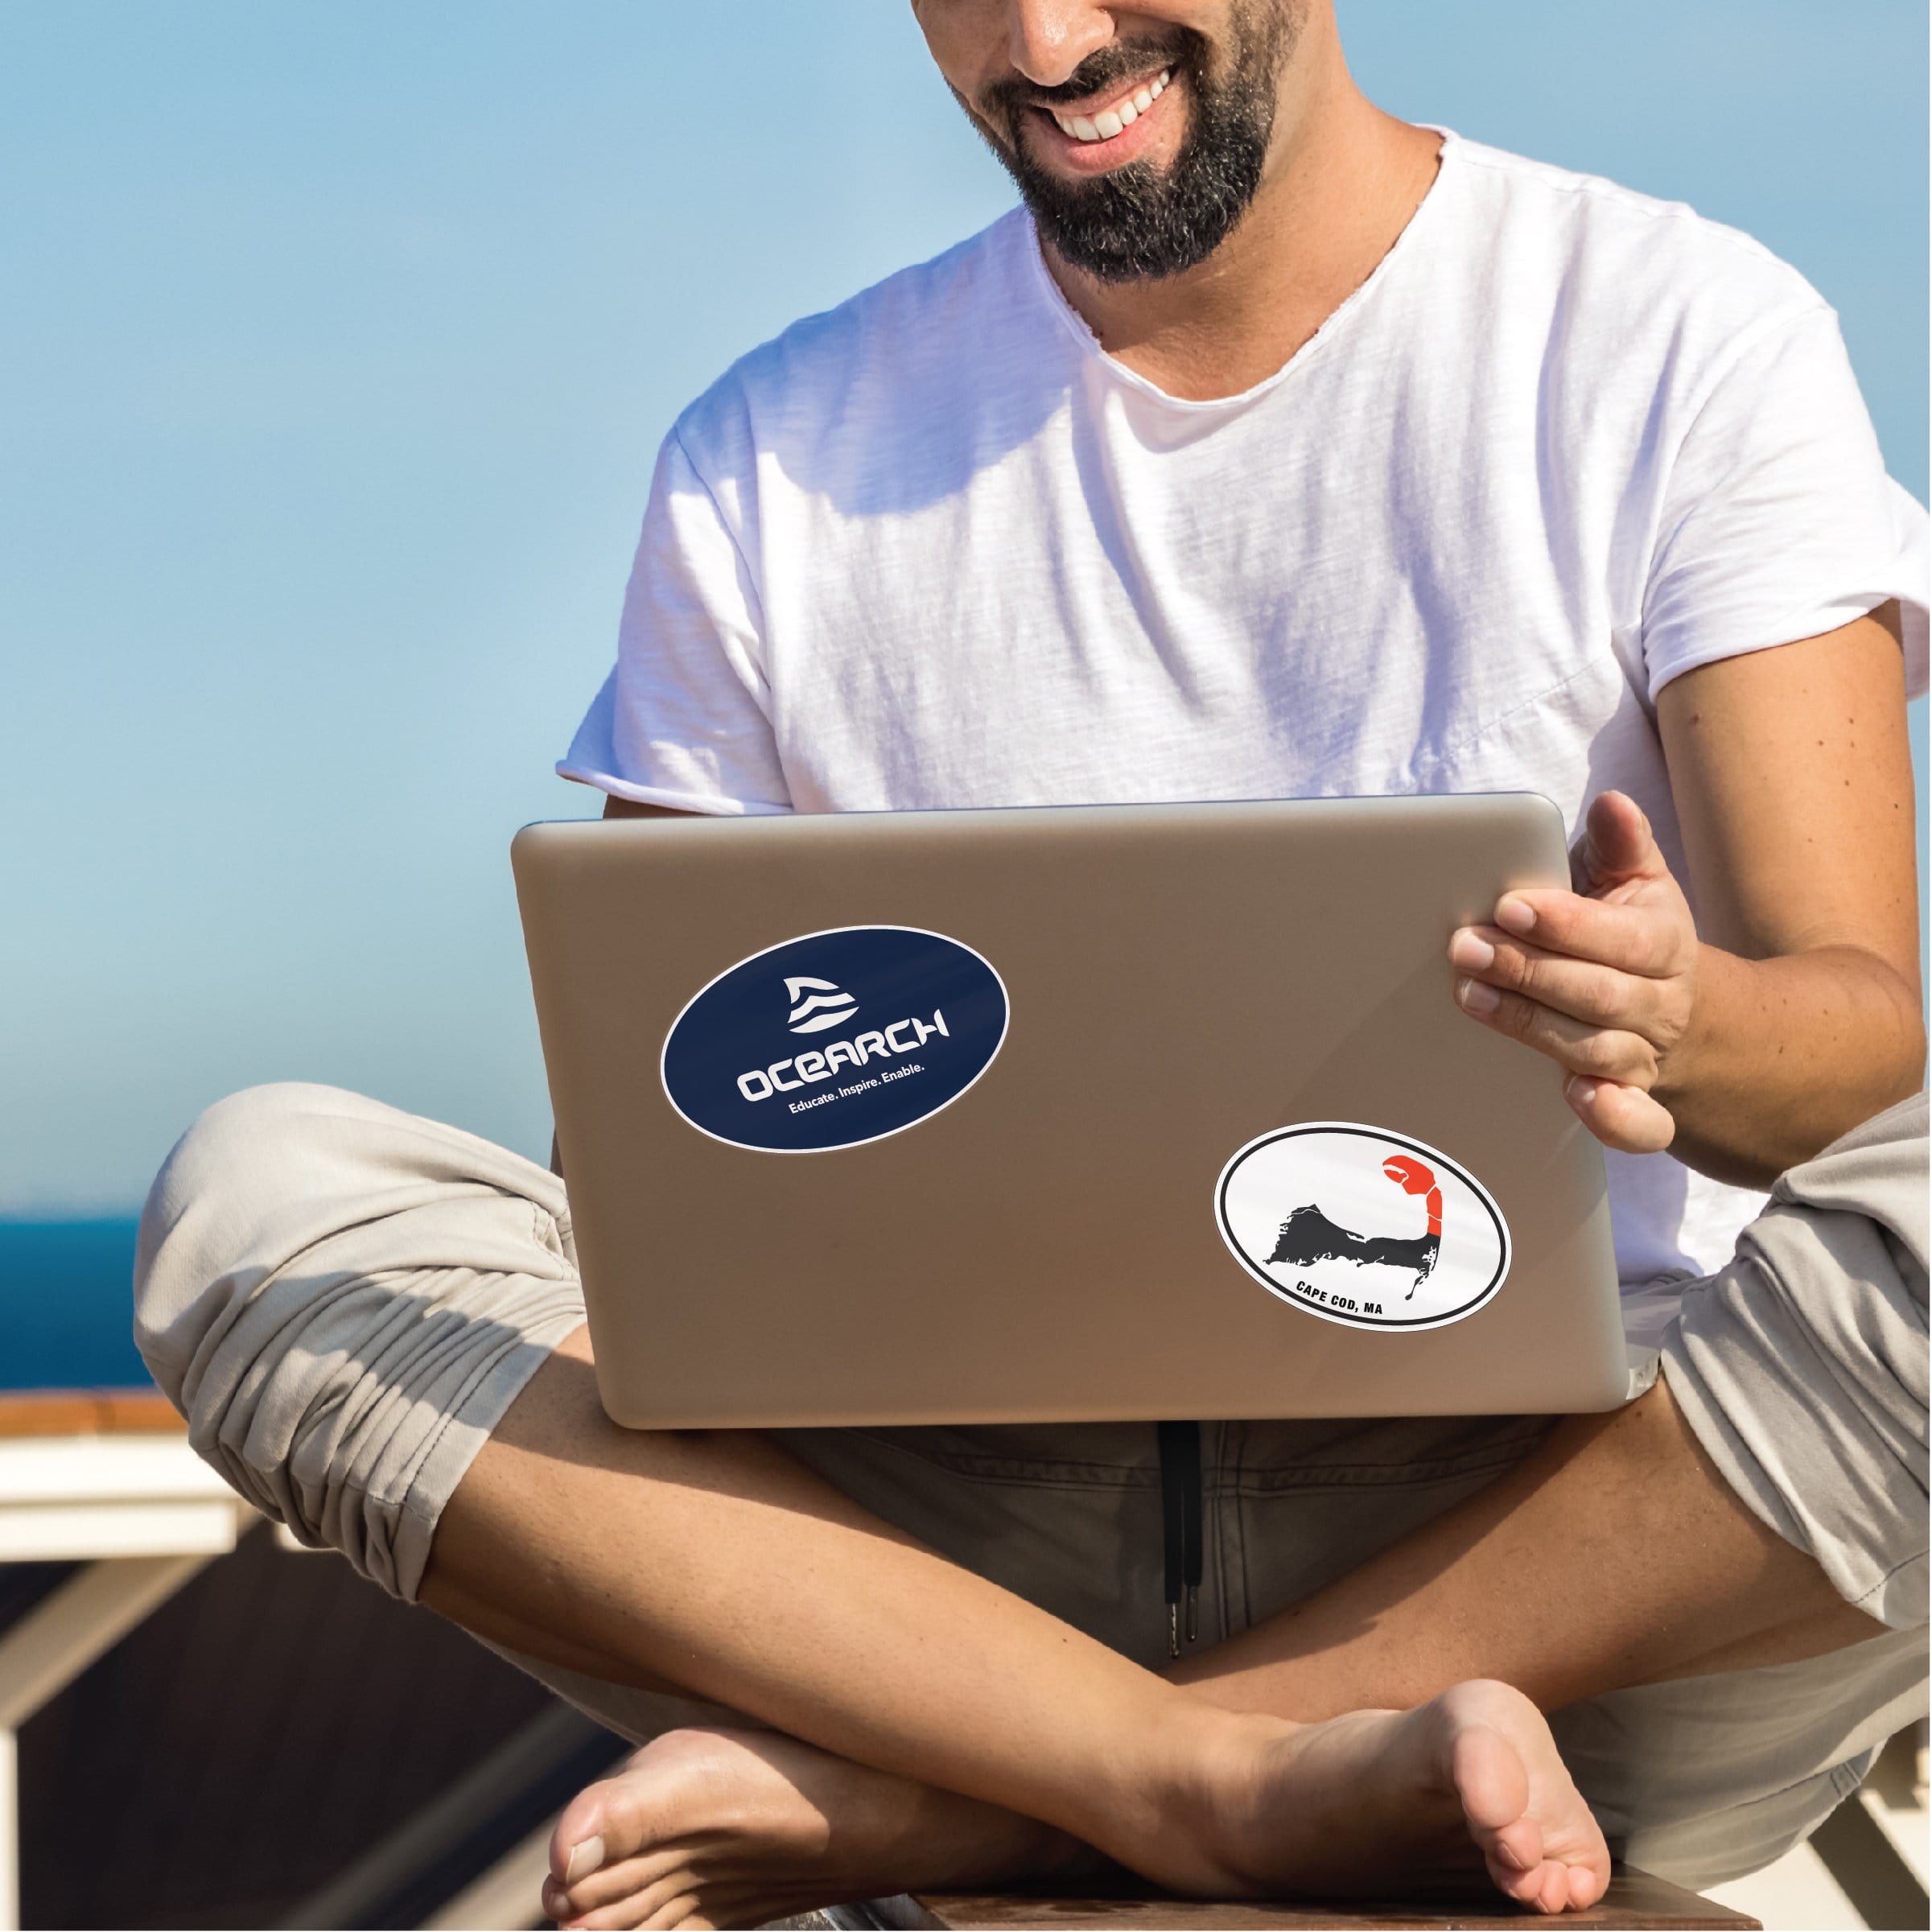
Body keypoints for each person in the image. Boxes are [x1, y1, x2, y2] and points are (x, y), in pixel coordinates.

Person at [134, 3, 1929, 1926]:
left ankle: (1025, 1793)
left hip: (1569, 1557)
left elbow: (1868, 1045)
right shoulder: (774, 456)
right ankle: (1205, 1779)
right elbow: (649, 1189)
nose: (1048, 42)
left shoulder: (1673, 332)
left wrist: (1685, 1019)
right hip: (968, 1550)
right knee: (257, 1207)